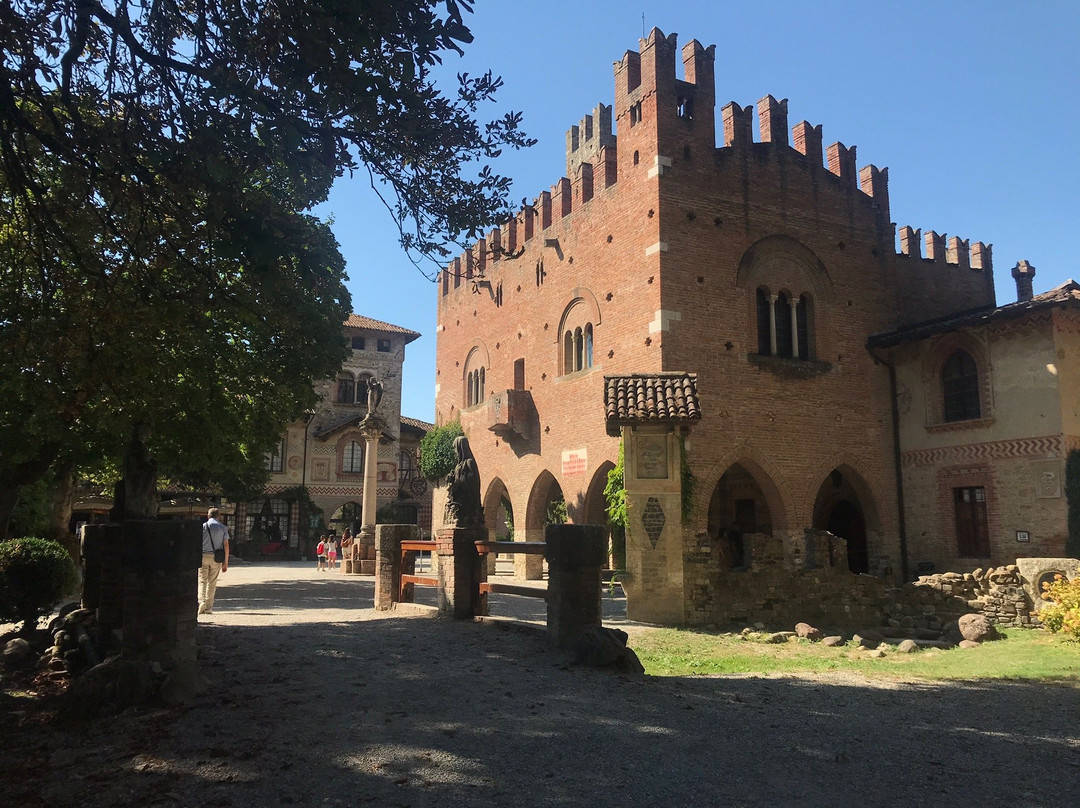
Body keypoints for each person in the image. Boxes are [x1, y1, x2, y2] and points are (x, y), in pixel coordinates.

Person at [199, 507, 230, 615]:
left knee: (202, 580)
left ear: (208, 516)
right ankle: (208, 607)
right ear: (219, 516)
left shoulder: (202, 527)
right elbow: (226, 545)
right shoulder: (223, 528)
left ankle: (201, 601)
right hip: (216, 557)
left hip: (203, 555)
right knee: (212, 583)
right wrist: (225, 562)